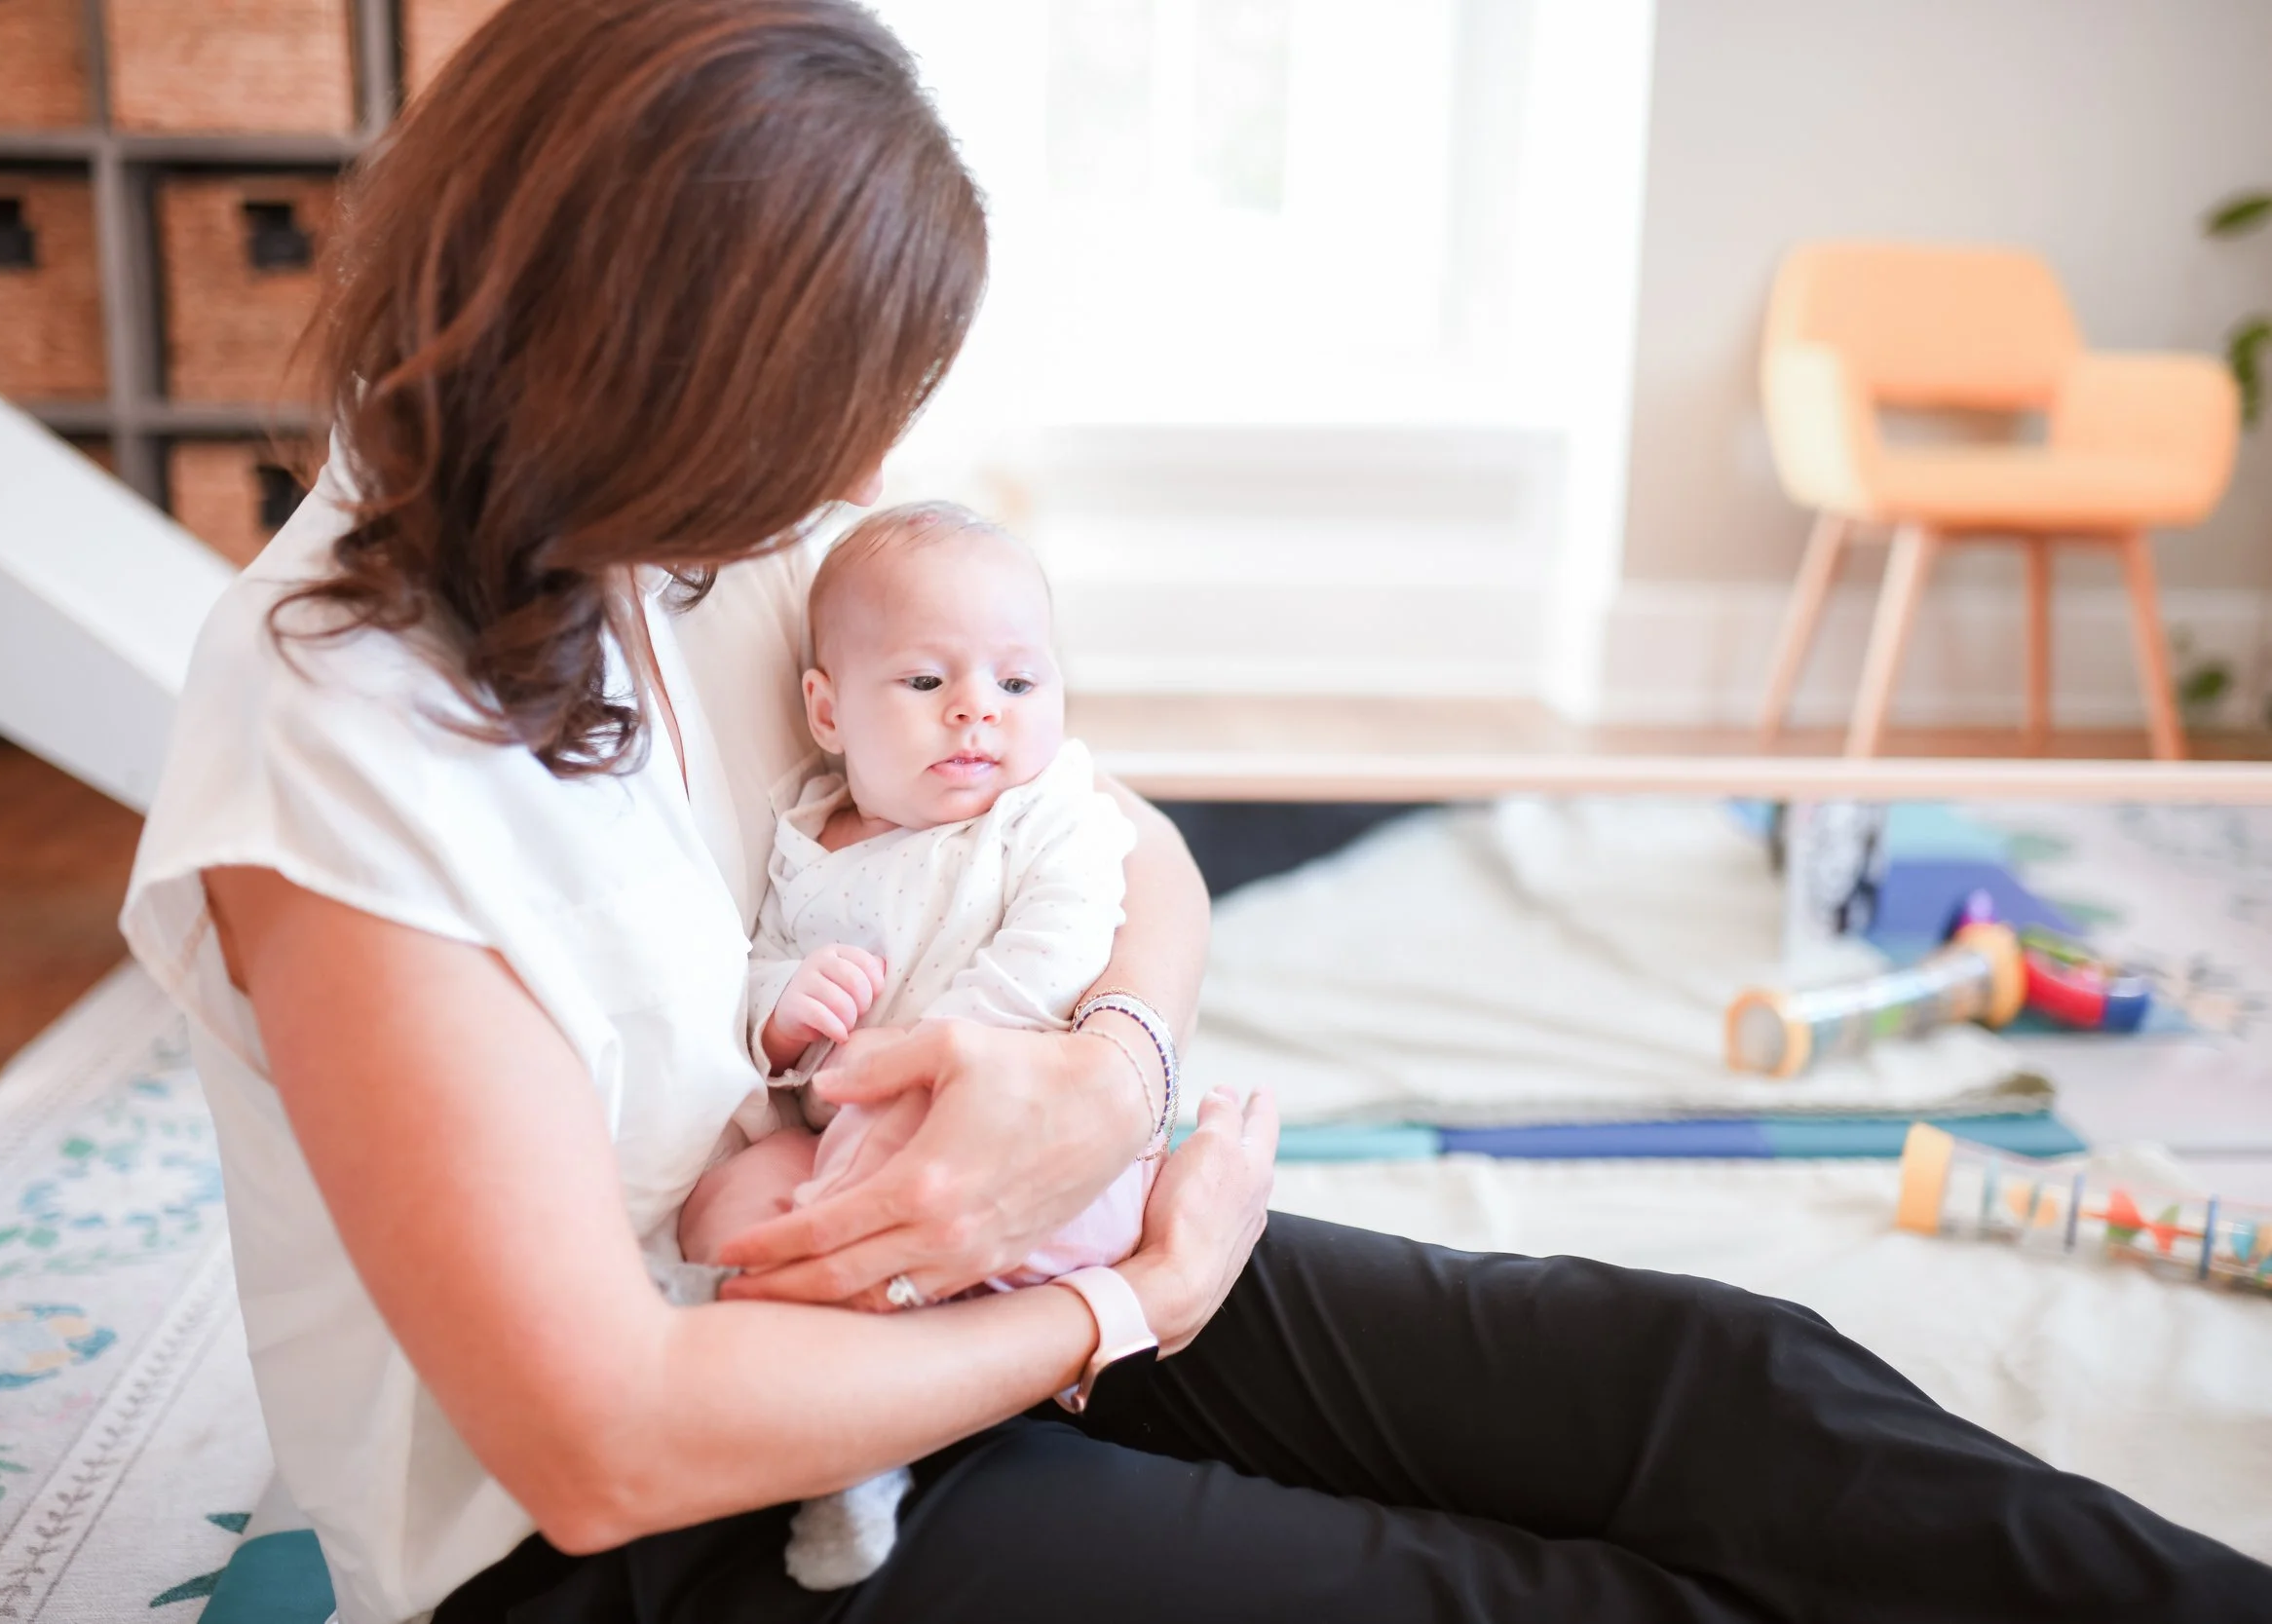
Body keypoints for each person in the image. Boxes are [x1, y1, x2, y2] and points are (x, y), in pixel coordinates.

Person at [120, 4, 2272, 1621]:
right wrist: (1113, 1304)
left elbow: (1123, 843)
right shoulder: (329, 729)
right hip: (667, 1543)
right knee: (1518, 1587)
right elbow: (594, 1441)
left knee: (1705, 1376)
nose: (837, 480)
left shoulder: (680, 549)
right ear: (640, 371)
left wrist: (1096, 1070)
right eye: (809, 418)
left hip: (928, 1289)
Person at [677, 500, 1155, 1589]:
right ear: (828, 709)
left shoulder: (1048, 813)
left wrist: (942, 1053)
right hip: (844, 1132)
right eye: (927, 682)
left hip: (1031, 1134)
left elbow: (1064, 939)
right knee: (738, 1200)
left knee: (861, 1184)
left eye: (1017, 683)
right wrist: (782, 1004)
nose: (977, 712)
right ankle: (825, 1407)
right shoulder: (808, 838)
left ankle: (866, 1425)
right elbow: (753, 968)